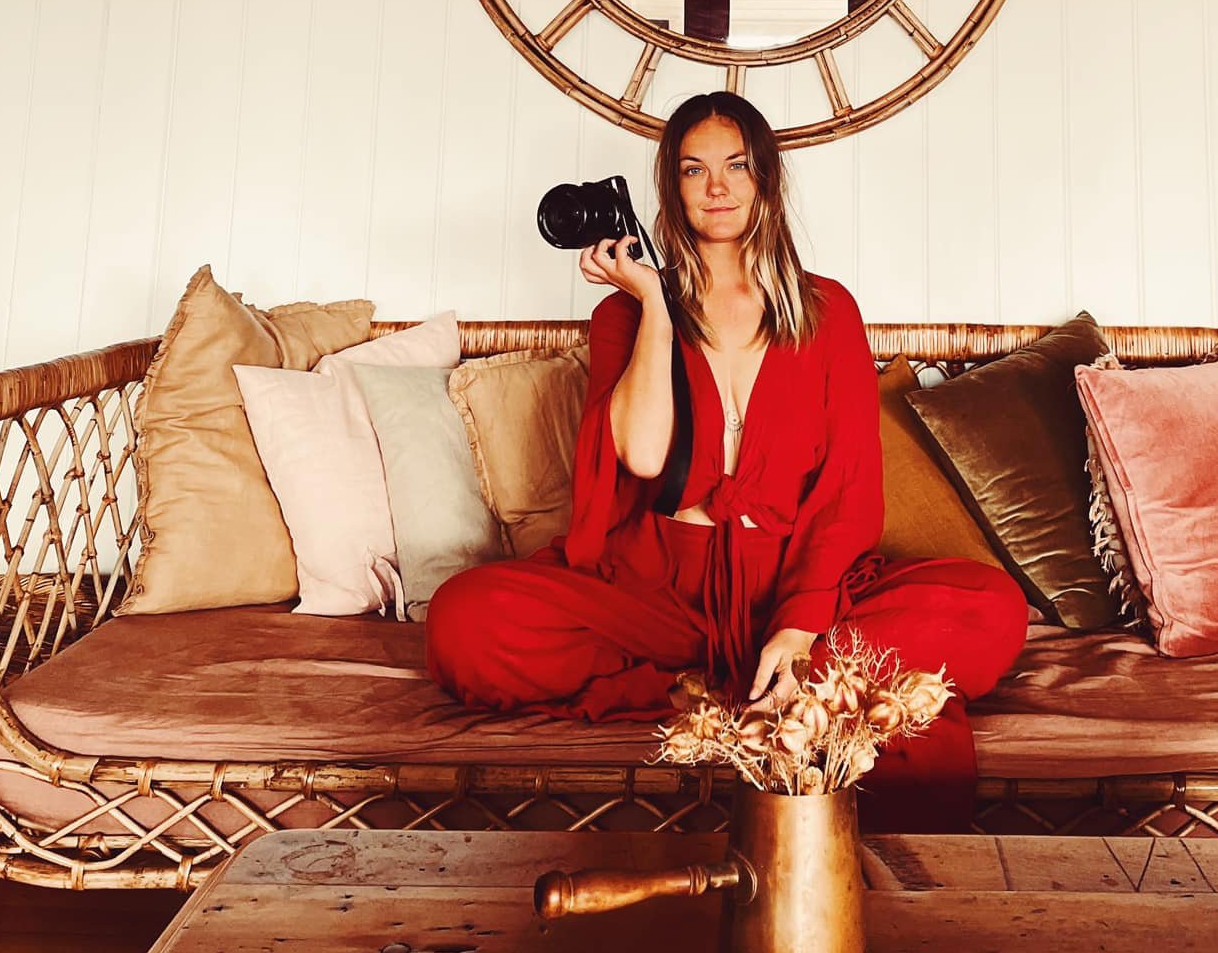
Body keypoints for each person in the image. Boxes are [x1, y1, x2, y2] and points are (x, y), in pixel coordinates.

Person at [426, 91, 1028, 826]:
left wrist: (802, 621)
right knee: (465, 620)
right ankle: (770, 688)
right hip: (658, 591)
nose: (716, 187)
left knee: (991, 606)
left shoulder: (827, 310)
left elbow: (848, 493)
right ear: (669, 188)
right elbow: (644, 455)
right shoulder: (624, 313)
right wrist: (651, 304)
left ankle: (785, 668)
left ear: (764, 179)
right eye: (693, 169)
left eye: (736, 166)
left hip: (795, 585)